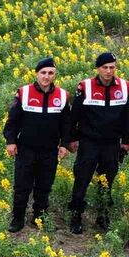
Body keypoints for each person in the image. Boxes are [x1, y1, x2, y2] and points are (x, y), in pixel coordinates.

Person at [3, 57, 70, 233]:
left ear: (55, 75)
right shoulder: (24, 92)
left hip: (49, 150)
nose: (46, 76)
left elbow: (66, 124)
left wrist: (64, 144)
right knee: (22, 186)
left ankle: (39, 217)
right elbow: (12, 120)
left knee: (44, 186)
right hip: (26, 149)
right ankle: (18, 218)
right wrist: (10, 141)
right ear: (37, 73)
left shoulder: (62, 95)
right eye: (43, 73)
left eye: (50, 73)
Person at [67, 52, 129, 234]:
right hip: (89, 143)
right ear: (98, 68)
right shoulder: (85, 86)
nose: (109, 71)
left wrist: (126, 141)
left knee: (107, 181)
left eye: (112, 67)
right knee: (82, 180)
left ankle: (103, 216)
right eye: (105, 67)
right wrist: (72, 138)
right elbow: (75, 115)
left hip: (112, 144)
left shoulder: (125, 87)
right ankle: (76, 215)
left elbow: (127, 117)